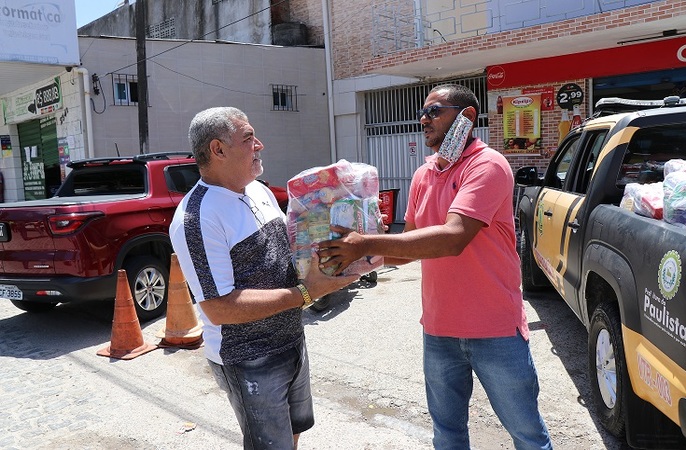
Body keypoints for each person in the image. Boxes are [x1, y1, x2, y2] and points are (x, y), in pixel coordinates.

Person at [317, 84, 553, 450]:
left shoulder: (486, 165)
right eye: (422, 113)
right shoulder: (423, 175)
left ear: (467, 117)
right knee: (447, 435)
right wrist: (353, 254)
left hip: (495, 330)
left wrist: (366, 244)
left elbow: (452, 238)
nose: (423, 120)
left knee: (527, 436)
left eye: (434, 111)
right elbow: (408, 249)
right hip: (439, 331)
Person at [169, 107, 357, 450]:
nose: (260, 145)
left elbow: (291, 249)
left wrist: (354, 240)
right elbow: (218, 308)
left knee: (294, 432)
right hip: (249, 358)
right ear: (218, 150)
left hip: (291, 338)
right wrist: (307, 292)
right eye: (248, 138)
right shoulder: (197, 218)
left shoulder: (258, 190)